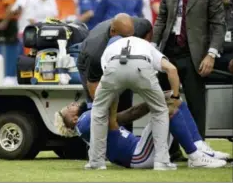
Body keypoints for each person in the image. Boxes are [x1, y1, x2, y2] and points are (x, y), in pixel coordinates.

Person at [87, 28, 184, 170]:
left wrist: (112, 115)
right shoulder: (146, 45)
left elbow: (111, 89)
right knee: (160, 110)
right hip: (142, 66)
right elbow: (172, 70)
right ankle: (162, 161)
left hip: (114, 66)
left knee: (98, 111)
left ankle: (96, 162)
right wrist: (175, 97)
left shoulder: (109, 49)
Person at [54, 98, 229, 169]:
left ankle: (200, 149)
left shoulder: (87, 117)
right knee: (168, 111)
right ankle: (195, 158)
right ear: (73, 120)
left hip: (138, 148)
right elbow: (123, 116)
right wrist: (151, 100)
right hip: (138, 156)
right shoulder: (84, 123)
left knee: (176, 102)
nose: (72, 104)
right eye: (69, 108)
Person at [152, 0, 226, 161]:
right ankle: (170, 152)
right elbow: (161, 19)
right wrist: (152, 48)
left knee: (196, 104)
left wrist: (211, 54)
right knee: (165, 102)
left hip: (194, 54)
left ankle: (200, 153)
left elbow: (218, 25)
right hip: (168, 52)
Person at [77, 13, 153, 133]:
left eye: (131, 37)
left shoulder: (140, 26)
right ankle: (97, 146)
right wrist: (110, 116)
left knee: (125, 106)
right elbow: (95, 89)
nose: (128, 41)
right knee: (99, 112)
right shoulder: (95, 52)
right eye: (125, 38)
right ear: (113, 32)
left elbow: (148, 37)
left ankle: (126, 142)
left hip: (121, 60)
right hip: (91, 66)